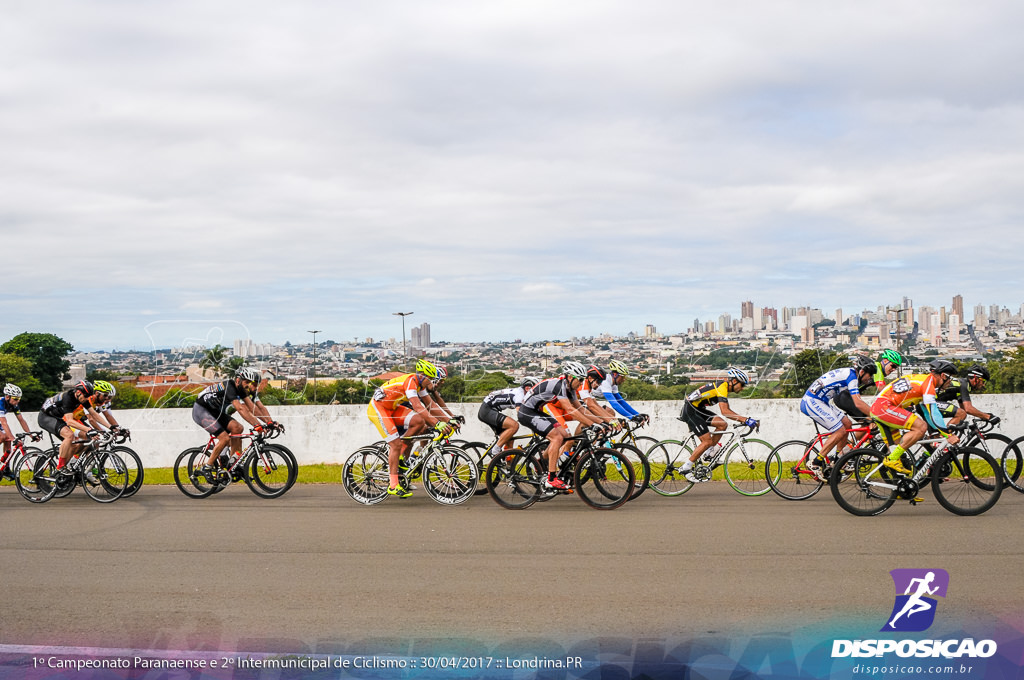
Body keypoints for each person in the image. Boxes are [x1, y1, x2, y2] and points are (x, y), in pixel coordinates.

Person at [366, 358, 453, 498]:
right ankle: (393, 485)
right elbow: (418, 407)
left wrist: (450, 420)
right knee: (395, 444)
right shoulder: (410, 382)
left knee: (419, 422)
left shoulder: (421, 385)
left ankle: (401, 455)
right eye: (430, 379)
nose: (431, 382)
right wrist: (437, 423)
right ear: (422, 376)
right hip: (379, 409)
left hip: (392, 408)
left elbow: (431, 406)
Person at [516, 361, 606, 491]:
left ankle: (540, 463)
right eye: (580, 380)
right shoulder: (559, 386)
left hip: (537, 411)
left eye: (583, 380)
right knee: (556, 438)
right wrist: (592, 424)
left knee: (565, 436)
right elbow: (570, 410)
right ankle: (551, 479)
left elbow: (581, 410)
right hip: (527, 412)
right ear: (570, 377)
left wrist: (601, 422)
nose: (581, 383)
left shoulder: (570, 388)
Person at [870, 359, 959, 483]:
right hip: (884, 407)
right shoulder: (928, 384)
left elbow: (928, 413)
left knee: (898, 454)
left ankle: (903, 489)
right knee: (920, 427)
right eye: (950, 378)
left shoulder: (924, 380)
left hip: (882, 407)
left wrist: (939, 431)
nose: (950, 382)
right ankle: (891, 459)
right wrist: (947, 434)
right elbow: (933, 412)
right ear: (943, 376)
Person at [193, 367, 277, 480]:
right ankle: (207, 467)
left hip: (215, 412)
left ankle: (233, 465)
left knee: (238, 428)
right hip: (202, 410)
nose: (248, 385)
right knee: (225, 438)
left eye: (249, 382)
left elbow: (253, 408)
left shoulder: (241, 389)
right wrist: (257, 425)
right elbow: (241, 409)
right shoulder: (229, 386)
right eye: (246, 382)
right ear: (238, 380)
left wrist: (269, 422)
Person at [799, 357, 876, 479]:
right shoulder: (852, 378)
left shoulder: (850, 373)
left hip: (822, 401)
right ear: (862, 372)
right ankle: (815, 462)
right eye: (870, 375)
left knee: (847, 424)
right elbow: (858, 403)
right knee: (840, 431)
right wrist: (876, 415)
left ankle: (839, 460)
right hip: (812, 401)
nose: (870, 378)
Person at [679, 367, 758, 482]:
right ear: (735, 381)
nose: (742, 389)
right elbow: (725, 411)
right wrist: (745, 420)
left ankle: (708, 453)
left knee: (722, 424)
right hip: (691, 411)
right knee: (707, 441)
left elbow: (727, 410)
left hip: (698, 409)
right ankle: (686, 467)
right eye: (742, 385)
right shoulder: (722, 387)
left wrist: (744, 419)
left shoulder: (723, 387)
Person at [37, 380, 109, 476]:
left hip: (57, 418)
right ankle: (60, 467)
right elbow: (70, 421)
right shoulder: (68, 398)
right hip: (46, 417)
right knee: (69, 435)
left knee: (82, 441)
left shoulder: (81, 398)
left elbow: (94, 414)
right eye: (86, 396)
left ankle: (69, 466)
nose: (87, 399)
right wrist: (89, 429)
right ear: (78, 393)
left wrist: (110, 427)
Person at [477, 376, 539, 453]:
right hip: (487, 410)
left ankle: (508, 464)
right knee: (514, 426)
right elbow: (520, 412)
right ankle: (495, 450)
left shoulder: (521, 393)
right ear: (527, 388)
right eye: (535, 389)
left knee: (509, 440)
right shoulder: (520, 394)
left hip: (490, 410)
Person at [0, 383, 39, 477]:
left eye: (19, 399)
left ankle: (6, 468)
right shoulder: (1, 402)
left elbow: (21, 420)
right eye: (16, 399)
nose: (18, 401)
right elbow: (4, 423)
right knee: (4, 436)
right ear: (7, 396)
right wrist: (13, 438)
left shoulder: (14, 405)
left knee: (8, 440)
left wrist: (30, 435)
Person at [597, 360, 649, 425]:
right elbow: (614, 404)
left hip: (592, 402)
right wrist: (631, 417)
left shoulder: (614, 384)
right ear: (615, 375)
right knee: (608, 415)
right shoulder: (605, 382)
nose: (624, 379)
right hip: (584, 401)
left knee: (610, 414)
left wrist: (637, 415)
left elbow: (621, 401)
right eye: (622, 377)